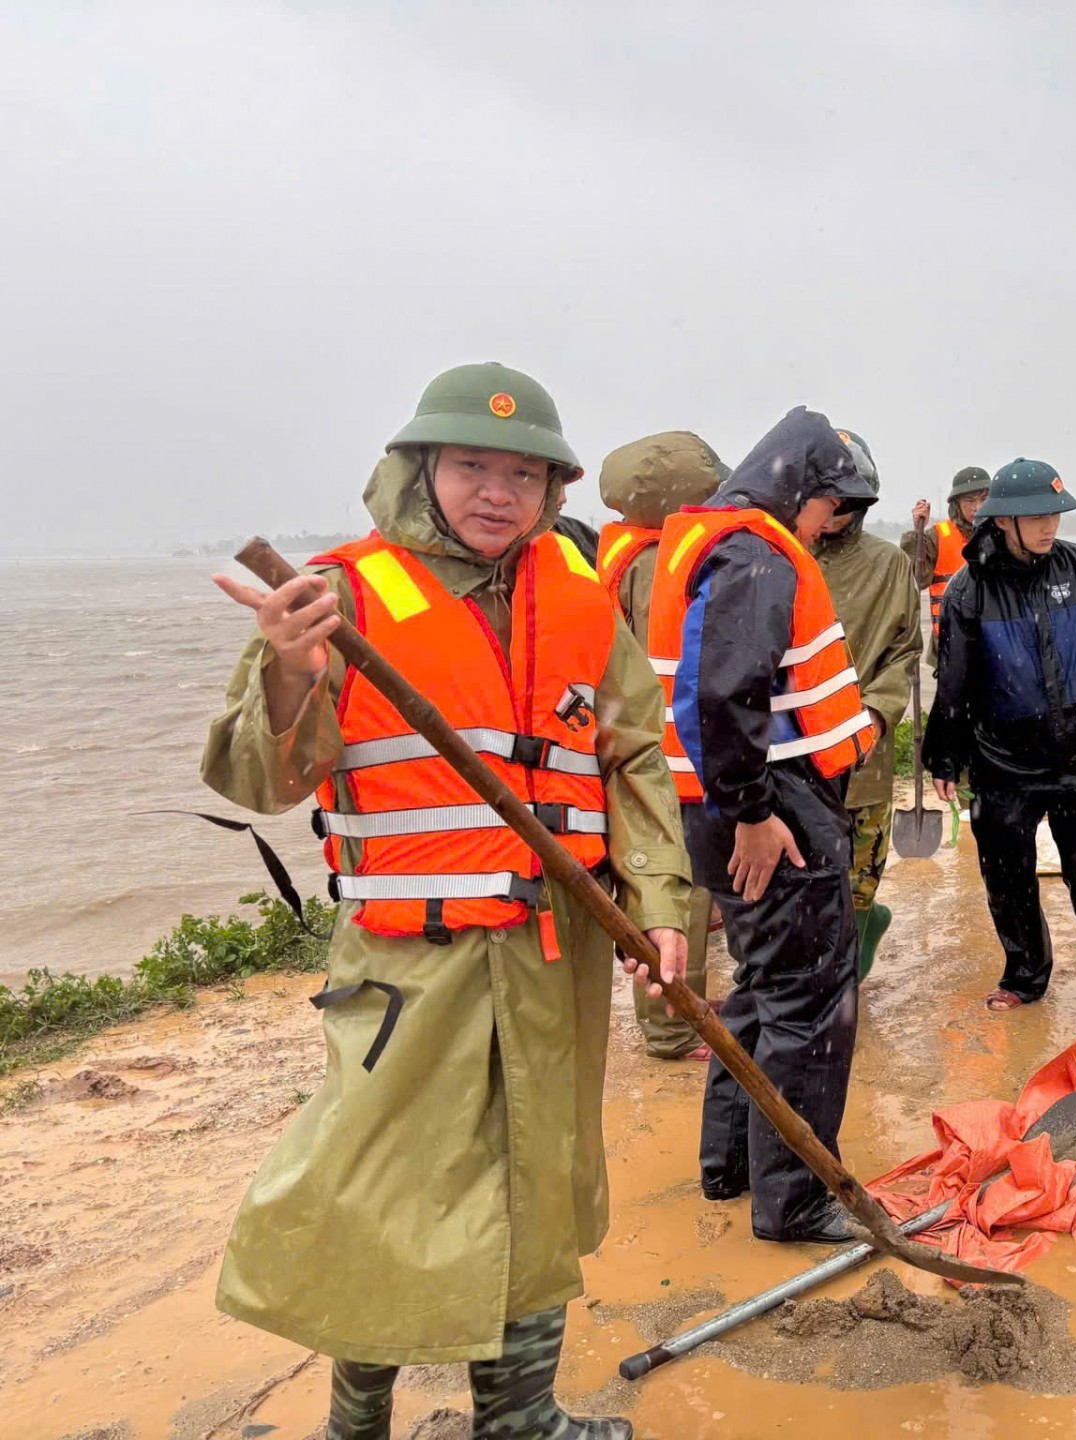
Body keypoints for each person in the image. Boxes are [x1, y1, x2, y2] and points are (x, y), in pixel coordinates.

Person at [203, 362, 691, 1440]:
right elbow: (255, 781)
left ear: (553, 493)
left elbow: (635, 758)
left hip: (555, 954)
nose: (498, 493)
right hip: (407, 970)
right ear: (421, 467)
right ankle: (354, 1422)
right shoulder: (341, 597)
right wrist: (287, 673)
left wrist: (663, 905)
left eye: (524, 474)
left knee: (540, 1186)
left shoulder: (577, 597)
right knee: (379, 1194)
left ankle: (521, 1420)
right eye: (473, 465)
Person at [648, 405, 876, 1245]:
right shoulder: (755, 554)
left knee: (765, 988)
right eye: (829, 512)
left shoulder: (710, 545)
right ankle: (798, 1201)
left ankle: (732, 1167)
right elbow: (723, 693)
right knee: (813, 1007)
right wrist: (752, 814)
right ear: (800, 489)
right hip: (771, 807)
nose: (827, 531)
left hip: (733, 801)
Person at [922, 458, 1076, 1017]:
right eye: (1036, 516)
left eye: (1055, 512)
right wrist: (945, 758)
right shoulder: (968, 589)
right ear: (1003, 520)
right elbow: (953, 682)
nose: (1050, 525)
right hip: (1004, 763)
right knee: (1008, 880)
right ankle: (1025, 977)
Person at [598, 430, 731, 1063]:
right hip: (667, 756)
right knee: (680, 895)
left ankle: (680, 1011)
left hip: (649, 747)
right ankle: (674, 1030)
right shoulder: (656, 564)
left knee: (678, 894)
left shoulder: (624, 554)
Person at [813, 429, 922, 979]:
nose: (832, 511)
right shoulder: (777, 557)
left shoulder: (888, 564)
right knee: (804, 875)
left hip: (864, 743)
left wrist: (876, 713)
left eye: (843, 499)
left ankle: (849, 971)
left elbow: (904, 652)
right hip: (794, 747)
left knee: (860, 870)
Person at [903, 465, 992, 667]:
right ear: (956, 503)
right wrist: (917, 534)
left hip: (994, 638)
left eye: (984, 499)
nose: (977, 507)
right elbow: (915, 581)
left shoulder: (1004, 533)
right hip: (949, 641)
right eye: (969, 500)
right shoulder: (937, 535)